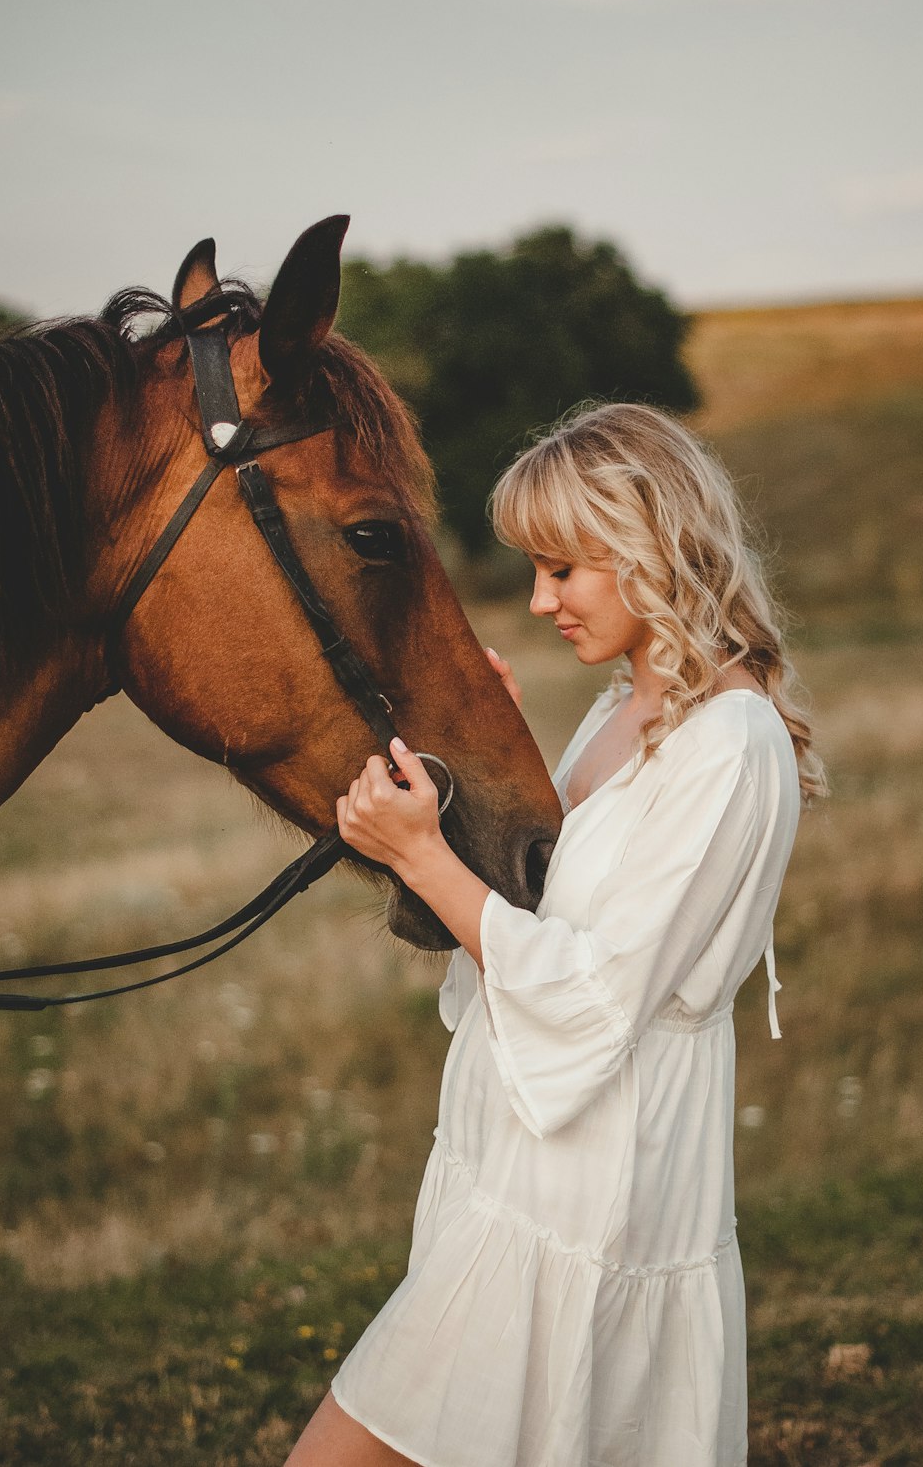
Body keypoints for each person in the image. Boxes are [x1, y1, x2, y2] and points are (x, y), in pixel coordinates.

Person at [285, 402, 823, 1467]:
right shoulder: (620, 710)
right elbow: (553, 905)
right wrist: (468, 764)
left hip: (595, 1187)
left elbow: (597, 992)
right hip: (515, 1155)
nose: (539, 602)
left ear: (646, 547)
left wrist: (420, 859)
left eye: (561, 571)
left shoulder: (733, 742)